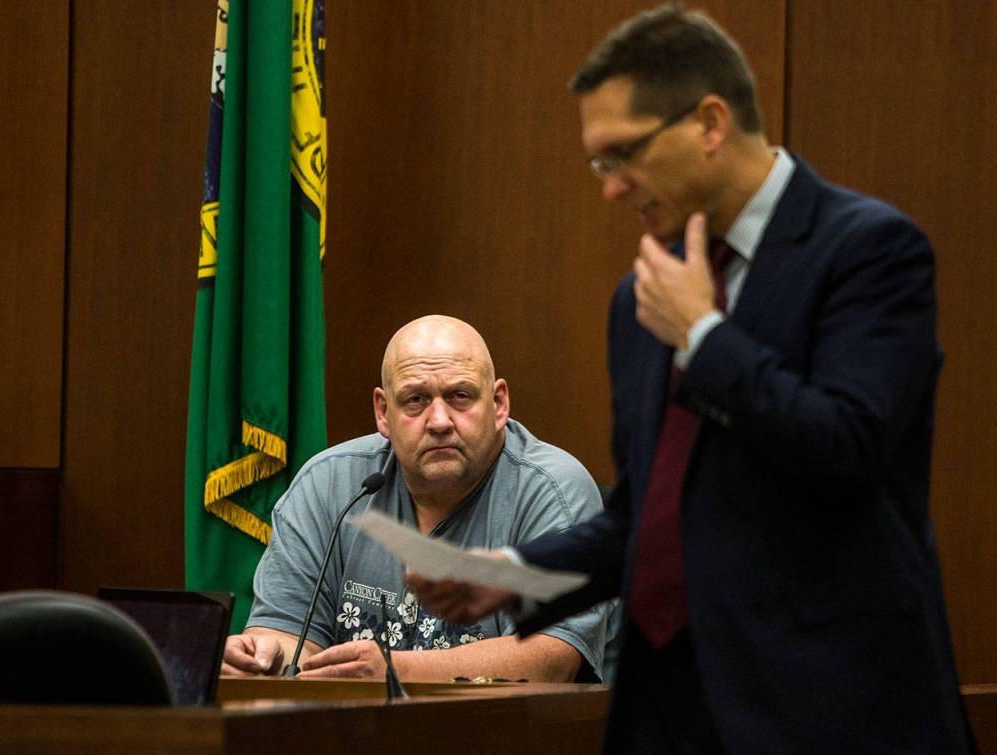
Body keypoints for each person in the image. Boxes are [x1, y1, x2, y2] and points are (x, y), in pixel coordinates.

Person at [410, 6, 973, 752]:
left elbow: (847, 448)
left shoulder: (869, 252)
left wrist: (706, 339)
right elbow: (647, 517)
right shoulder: (641, 297)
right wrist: (517, 573)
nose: (611, 188)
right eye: (597, 164)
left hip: (829, 710)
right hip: (668, 716)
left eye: (623, 154)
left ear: (710, 123)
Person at [221, 314, 613, 683]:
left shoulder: (552, 490)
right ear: (382, 411)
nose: (439, 421)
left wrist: (392, 672)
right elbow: (291, 636)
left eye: (460, 396)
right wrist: (264, 657)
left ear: (498, 404)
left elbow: (552, 659)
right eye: (415, 400)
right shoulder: (328, 485)